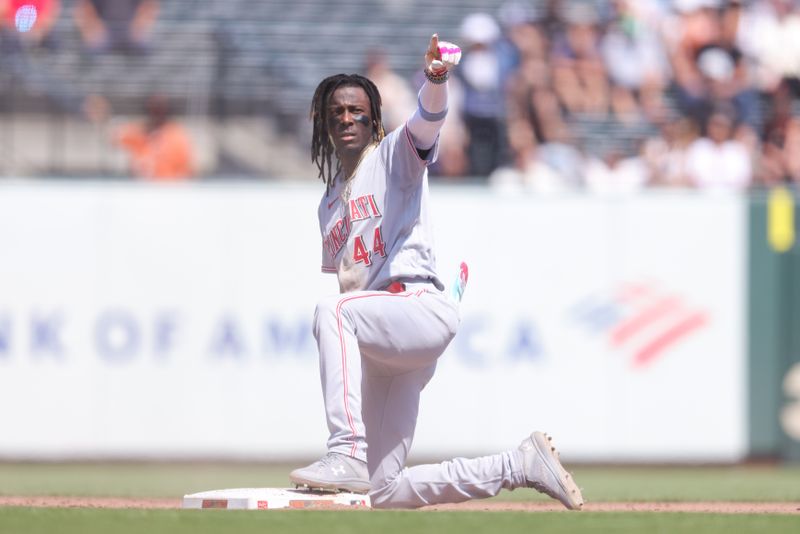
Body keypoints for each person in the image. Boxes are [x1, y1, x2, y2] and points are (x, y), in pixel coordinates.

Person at [288, 34, 584, 511]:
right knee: (383, 489)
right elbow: (352, 283)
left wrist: (436, 78)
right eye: (336, 110)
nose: (346, 117)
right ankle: (518, 465)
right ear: (323, 120)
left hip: (417, 306)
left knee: (331, 312)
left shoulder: (392, 157)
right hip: (387, 336)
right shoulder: (328, 203)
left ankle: (345, 450)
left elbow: (428, 121)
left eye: (357, 110)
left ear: (374, 119)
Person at [113, 94, 195, 180]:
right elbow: (116, 137)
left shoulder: (176, 135)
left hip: (168, 186)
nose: (156, 114)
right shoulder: (141, 132)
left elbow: (186, 169)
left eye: (160, 110)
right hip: (142, 187)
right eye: (153, 110)